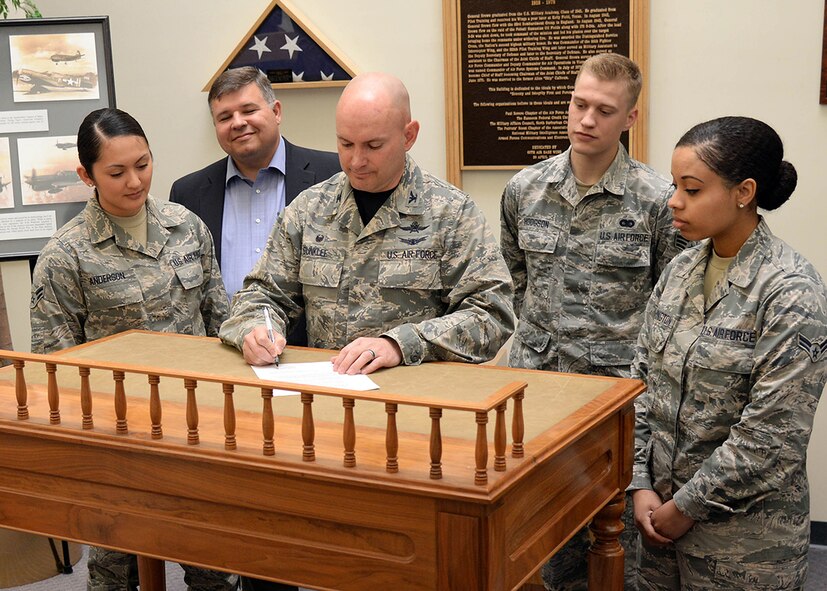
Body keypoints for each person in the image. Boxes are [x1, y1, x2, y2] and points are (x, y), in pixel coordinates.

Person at [500, 53, 689, 590]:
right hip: (539, 396)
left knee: (617, 552)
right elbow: (517, 281)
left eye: (604, 111)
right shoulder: (525, 189)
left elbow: (672, 309)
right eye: (579, 104)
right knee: (547, 546)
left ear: (629, 119)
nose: (586, 119)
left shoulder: (656, 201)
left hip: (616, 402)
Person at [29, 108, 236, 591]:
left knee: (212, 563)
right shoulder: (66, 255)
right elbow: (56, 367)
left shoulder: (187, 227)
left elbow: (219, 322)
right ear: (86, 175)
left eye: (143, 164)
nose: (135, 181)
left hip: (195, 427)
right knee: (115, 570)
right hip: (114, 442)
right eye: (117, 172)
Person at [631, 116, 827, 590]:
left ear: (744, 192)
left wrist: (687, 507)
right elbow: (639, 382)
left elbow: (772, 435)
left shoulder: (789, 291)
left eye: (693, 190)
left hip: (744, 546)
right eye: (675, 185)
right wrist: (638, 483)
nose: (673, 201)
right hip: (657, 524)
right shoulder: (681, 269)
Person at [219, 70, 514, 375]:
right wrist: (255, 330)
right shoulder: (310, 210)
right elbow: (262, 294)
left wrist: (400, 345)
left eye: (373, 146)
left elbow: (492, 315)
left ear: (408, 135)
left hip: (414, 406)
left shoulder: (451, 214)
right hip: (325, 398)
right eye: (346, 144)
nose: (356, 161)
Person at [170, 66, 340, 347]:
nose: (237, 123)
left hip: (308, 356)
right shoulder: (188, 193)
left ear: (276, 112)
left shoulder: (332, 175)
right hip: (221, 356)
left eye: (248, 110)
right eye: (224, 117)